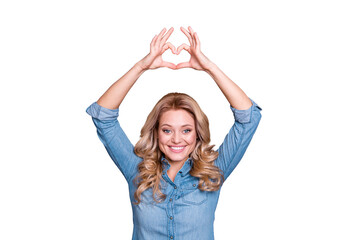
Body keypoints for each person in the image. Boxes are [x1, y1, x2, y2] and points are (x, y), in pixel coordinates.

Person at [86, 26, 262, 240]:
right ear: (156, 132)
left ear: (197, 133)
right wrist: (141, 67)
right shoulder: (137, 171)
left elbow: (248, 117)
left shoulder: (213, 171)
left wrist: (210, 68)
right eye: (167, 130)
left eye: (186, 130)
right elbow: (103, 116)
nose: (177, 139)